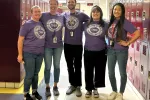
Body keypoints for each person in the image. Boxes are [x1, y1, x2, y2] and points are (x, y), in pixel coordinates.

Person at [106, 3, 140, 100]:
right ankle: (114, 90)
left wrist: (128, 43)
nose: (116, 11)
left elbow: (137, 33)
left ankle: (120, 93)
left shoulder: (125, 22)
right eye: (115, 9)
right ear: (112, 11)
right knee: (111, 72)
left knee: (122, 73)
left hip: (121, 51)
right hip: (110, 50)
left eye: (119, 10)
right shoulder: (111, 22)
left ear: (122, 11)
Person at [17, 5, 45, 100]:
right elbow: (20, 40)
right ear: (31, 13)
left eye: (39, 11)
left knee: (36, 74)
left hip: (40, 53)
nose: (37, 13)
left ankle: (34, 91)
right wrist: (20, 54)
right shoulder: (27, 24)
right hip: (29, 53)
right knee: (29, 74)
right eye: (35, 11)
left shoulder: (41, 23)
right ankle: (26, 93)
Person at [62, 0, 89, 97]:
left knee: (78, 66)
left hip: (78, 44)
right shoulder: (64, 15)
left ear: (75, 3)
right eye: (68, 2)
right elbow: (53, 19)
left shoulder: (81, 15)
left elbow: (91, 20)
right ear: (67, 3)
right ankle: (72, 84)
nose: (70, 3)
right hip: (67, 44)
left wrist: (83, 27)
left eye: (72, 1)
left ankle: (78, 86)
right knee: (69, 66)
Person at [40, 0, 64, 97]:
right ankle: (47, 87)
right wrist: (26, 21)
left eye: (55, 4)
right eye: (51, 4)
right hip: (47, 46)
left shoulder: (61, 17)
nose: (53, 6)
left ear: (58, 5)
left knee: (57, 66)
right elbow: (34, 20)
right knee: (48, 67)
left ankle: (55, 86)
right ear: (49, 5)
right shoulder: (43, 15)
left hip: (58, 46)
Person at [83, 5, 107, 98]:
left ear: (100, 13)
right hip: (88, 50)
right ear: (91, 13)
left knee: (99, 71)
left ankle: (96, 88)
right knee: (88, 71)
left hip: (101, 51)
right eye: (93, 12)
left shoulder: (105, 24)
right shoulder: (86, 24)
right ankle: (89, 89)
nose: (95, 13)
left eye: (97, 12)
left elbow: (112, 33)